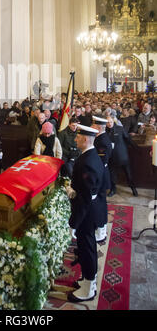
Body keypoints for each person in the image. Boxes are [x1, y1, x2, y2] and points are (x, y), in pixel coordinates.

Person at [67, 125, 104, 303]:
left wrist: (74, 223)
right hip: (88, 209)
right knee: (85, 247)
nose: (75, 139)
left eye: (78, 137)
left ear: (85, 140)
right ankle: (87, 280)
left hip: (86, 214)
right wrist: (74, 190)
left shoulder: (88, 161)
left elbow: (85, 197)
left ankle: (89, 288)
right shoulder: (89, 155)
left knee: (87, 249)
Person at [105, 115, 138, 197]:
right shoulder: (104, 131)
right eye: (107, 122)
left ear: (114, 121)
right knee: (112, 176)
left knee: (128, 174)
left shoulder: (120, 129)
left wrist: (136, 148)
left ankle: (133, 189)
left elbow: (128, 139)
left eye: (111, 122)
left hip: (122, 156)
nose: (109, 124)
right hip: (111, 158)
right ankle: (113, 190)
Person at [92, 116, 113, 242]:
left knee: (100, 204)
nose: (91, 126)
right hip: (99, 174)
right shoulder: (99, 138)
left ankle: (101, 232)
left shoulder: (103, 141)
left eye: (93, 125)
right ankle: (99, 228)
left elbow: (101, 160)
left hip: (100, 175)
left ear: (99, 128)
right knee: (99, 203)